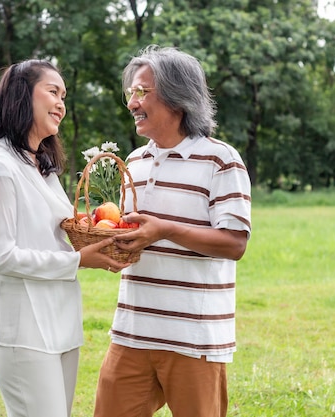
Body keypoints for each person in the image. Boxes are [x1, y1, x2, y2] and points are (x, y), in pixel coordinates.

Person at [93, 45, 252, 417]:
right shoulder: (134, 160)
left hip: (194, 339)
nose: (132, 102)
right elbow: (132, 234)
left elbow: (235, 243)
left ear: (178, 98)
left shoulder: (221, 159)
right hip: (133, 330)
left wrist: (163, 230)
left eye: (142, 92)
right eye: (131, 93)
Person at [0, 59, 129, 417]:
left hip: (59, 321)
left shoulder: (40, 167)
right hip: (21, 328)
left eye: (64, 96)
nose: (61, 104)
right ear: (22, 96)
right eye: (52, 92)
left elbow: (54, 231)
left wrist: (96, 229)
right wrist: (77, 261)